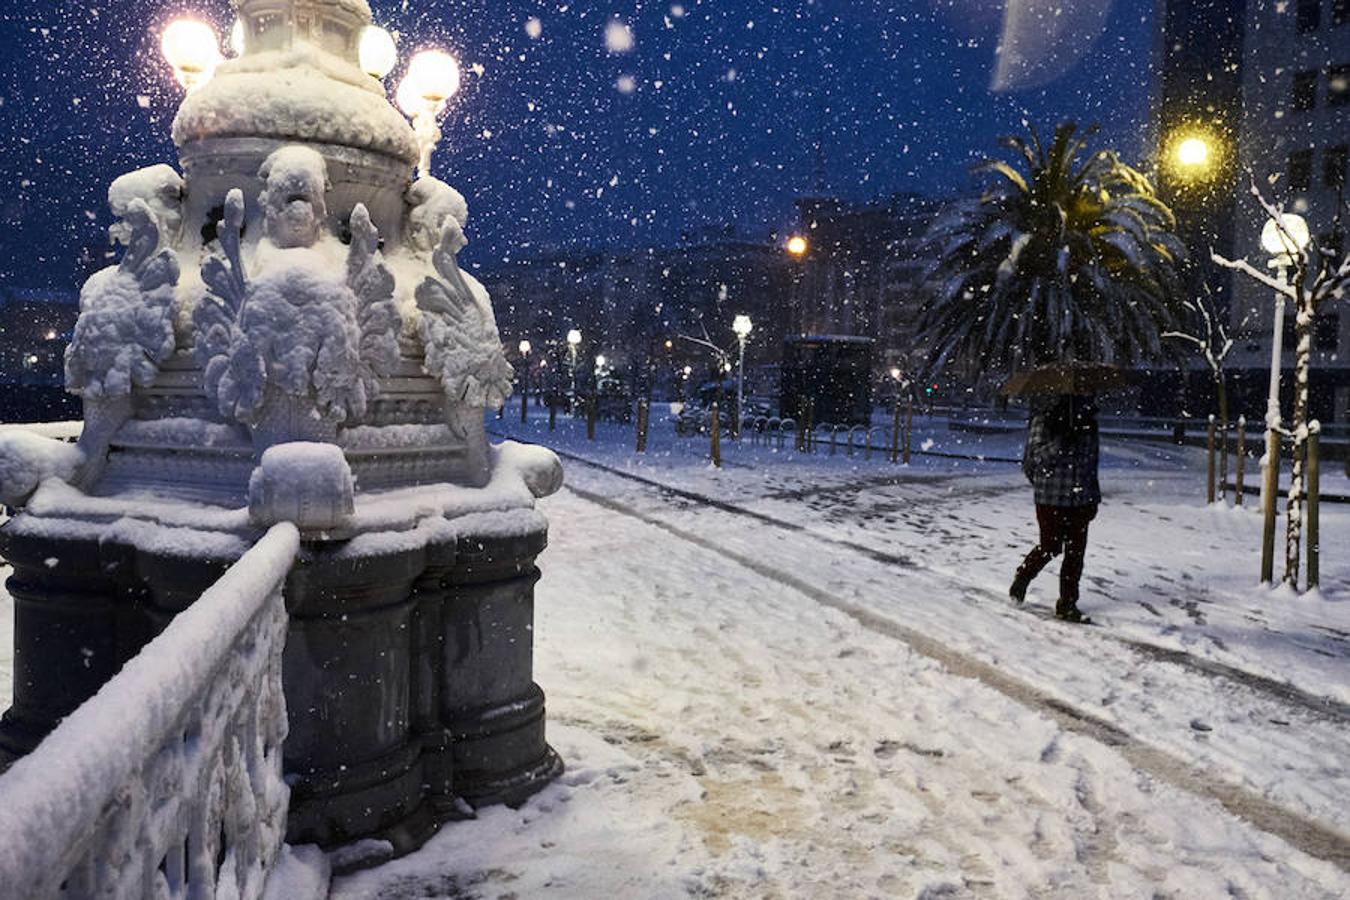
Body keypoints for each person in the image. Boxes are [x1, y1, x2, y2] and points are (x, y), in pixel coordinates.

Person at [1010, 392, 1101, 623]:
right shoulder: (1043, 422)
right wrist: (1062, 441)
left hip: (1080, 499)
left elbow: (1092, 463)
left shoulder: (1089, 426)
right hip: (1050, 498)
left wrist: (1093, 496)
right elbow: (1034, 460)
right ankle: (1023, 576)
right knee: (1051, 546)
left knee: (1076, 553)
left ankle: (1068, 603)